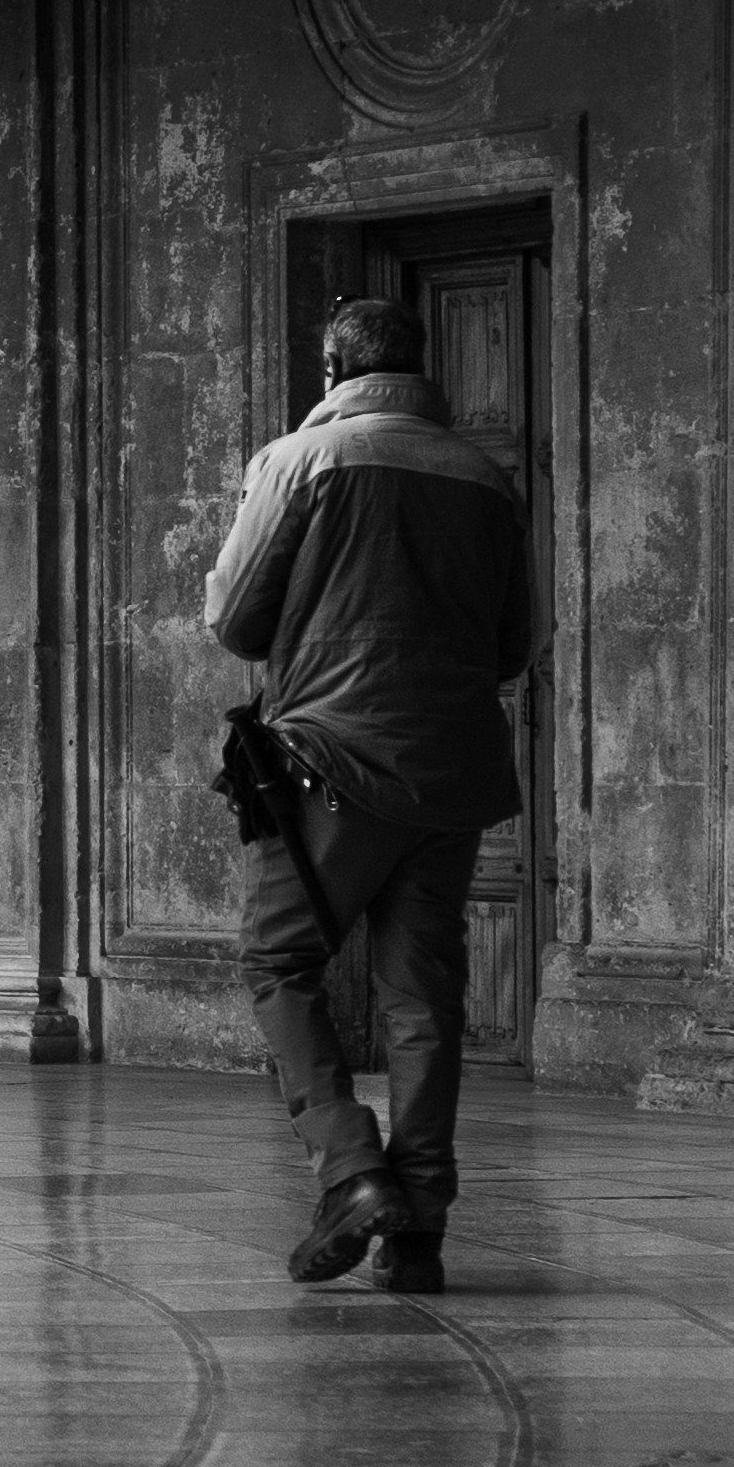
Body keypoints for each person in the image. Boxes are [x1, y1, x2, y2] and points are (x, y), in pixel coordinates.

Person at [202, 290, 528, 1291]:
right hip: (454, 770)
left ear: (334, 374)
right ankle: (418, 1224)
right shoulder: (487, 478)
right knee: (422, 997)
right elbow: (514, 644)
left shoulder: (299, 461)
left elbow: (234, 618)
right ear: (420, 369)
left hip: (330, 765)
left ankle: (350, 1172)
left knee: (278, 962)